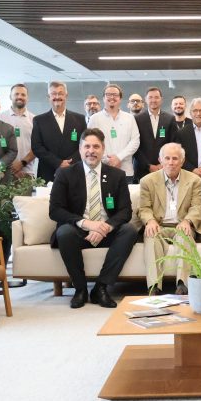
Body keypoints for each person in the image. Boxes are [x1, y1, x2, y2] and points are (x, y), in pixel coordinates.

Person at [49, 128, 139, 309]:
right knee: (64, 232)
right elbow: (55, 210)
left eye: (96, 146)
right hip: (78, 230)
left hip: (107, 231)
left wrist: (105, 227)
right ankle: (80, 289)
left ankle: (101, 287)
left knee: (129, 230)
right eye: (87, 146)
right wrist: (87, 224)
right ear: (80, 149)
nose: (91, 151)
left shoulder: (117, 175)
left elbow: (125, 211)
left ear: (103, 149)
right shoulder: (65, 174)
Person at [138, 143, 201, 293]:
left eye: (175, 158)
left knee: (185, 236)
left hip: (181, 225)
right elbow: (144, 208)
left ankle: (182, 284)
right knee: (151, 235)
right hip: (159, 225)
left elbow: (196, 207)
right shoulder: (147, 181)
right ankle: (154, 286)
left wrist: (187, 221)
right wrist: (150, 221)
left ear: (182, 161)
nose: (171, 162)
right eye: (167, 158)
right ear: (160, 160)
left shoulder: (194, 180)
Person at [31, 80, 87, 183]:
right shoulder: (39, 120)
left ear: (66, 96)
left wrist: (69, 163)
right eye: (53, 94)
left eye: (60, 93)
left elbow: (84, 145)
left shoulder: (80, 119)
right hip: (48, 172)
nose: (57, 96)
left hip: (74, 170)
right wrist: (58, 163)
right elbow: (36, 147)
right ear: (48, 97)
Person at [90, 83, 140, 179]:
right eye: (108, 94)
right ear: (103, 98)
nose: (112, 97)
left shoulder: (129, 118)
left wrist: (119, 158)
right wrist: (107, 160)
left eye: (115, 95)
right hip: (102, 170)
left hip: (126, 171)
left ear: (120, 98)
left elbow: (135, 141)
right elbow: (90, 143)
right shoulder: (94, 119)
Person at [133, 86, 178, 182]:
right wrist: (148, 166)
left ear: (161, 99)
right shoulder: (137, 119)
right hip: (142, 169)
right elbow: (135, 146)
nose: (153, 100)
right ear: (145, 100)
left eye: (156, 97)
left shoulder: (170, 119)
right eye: (150, 97)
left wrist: (163, 164)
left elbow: (173, 143)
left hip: (165, 168)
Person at [0, 83, 38, 180]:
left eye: (23, 94)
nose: (19, 97)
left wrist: (22, 164)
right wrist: (10, 165)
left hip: (27, 173)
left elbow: (37, 147)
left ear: (27, 98)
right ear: (10, 96)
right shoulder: (0, 118)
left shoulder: (35, 120)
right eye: (16, 94)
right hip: (4, 172)